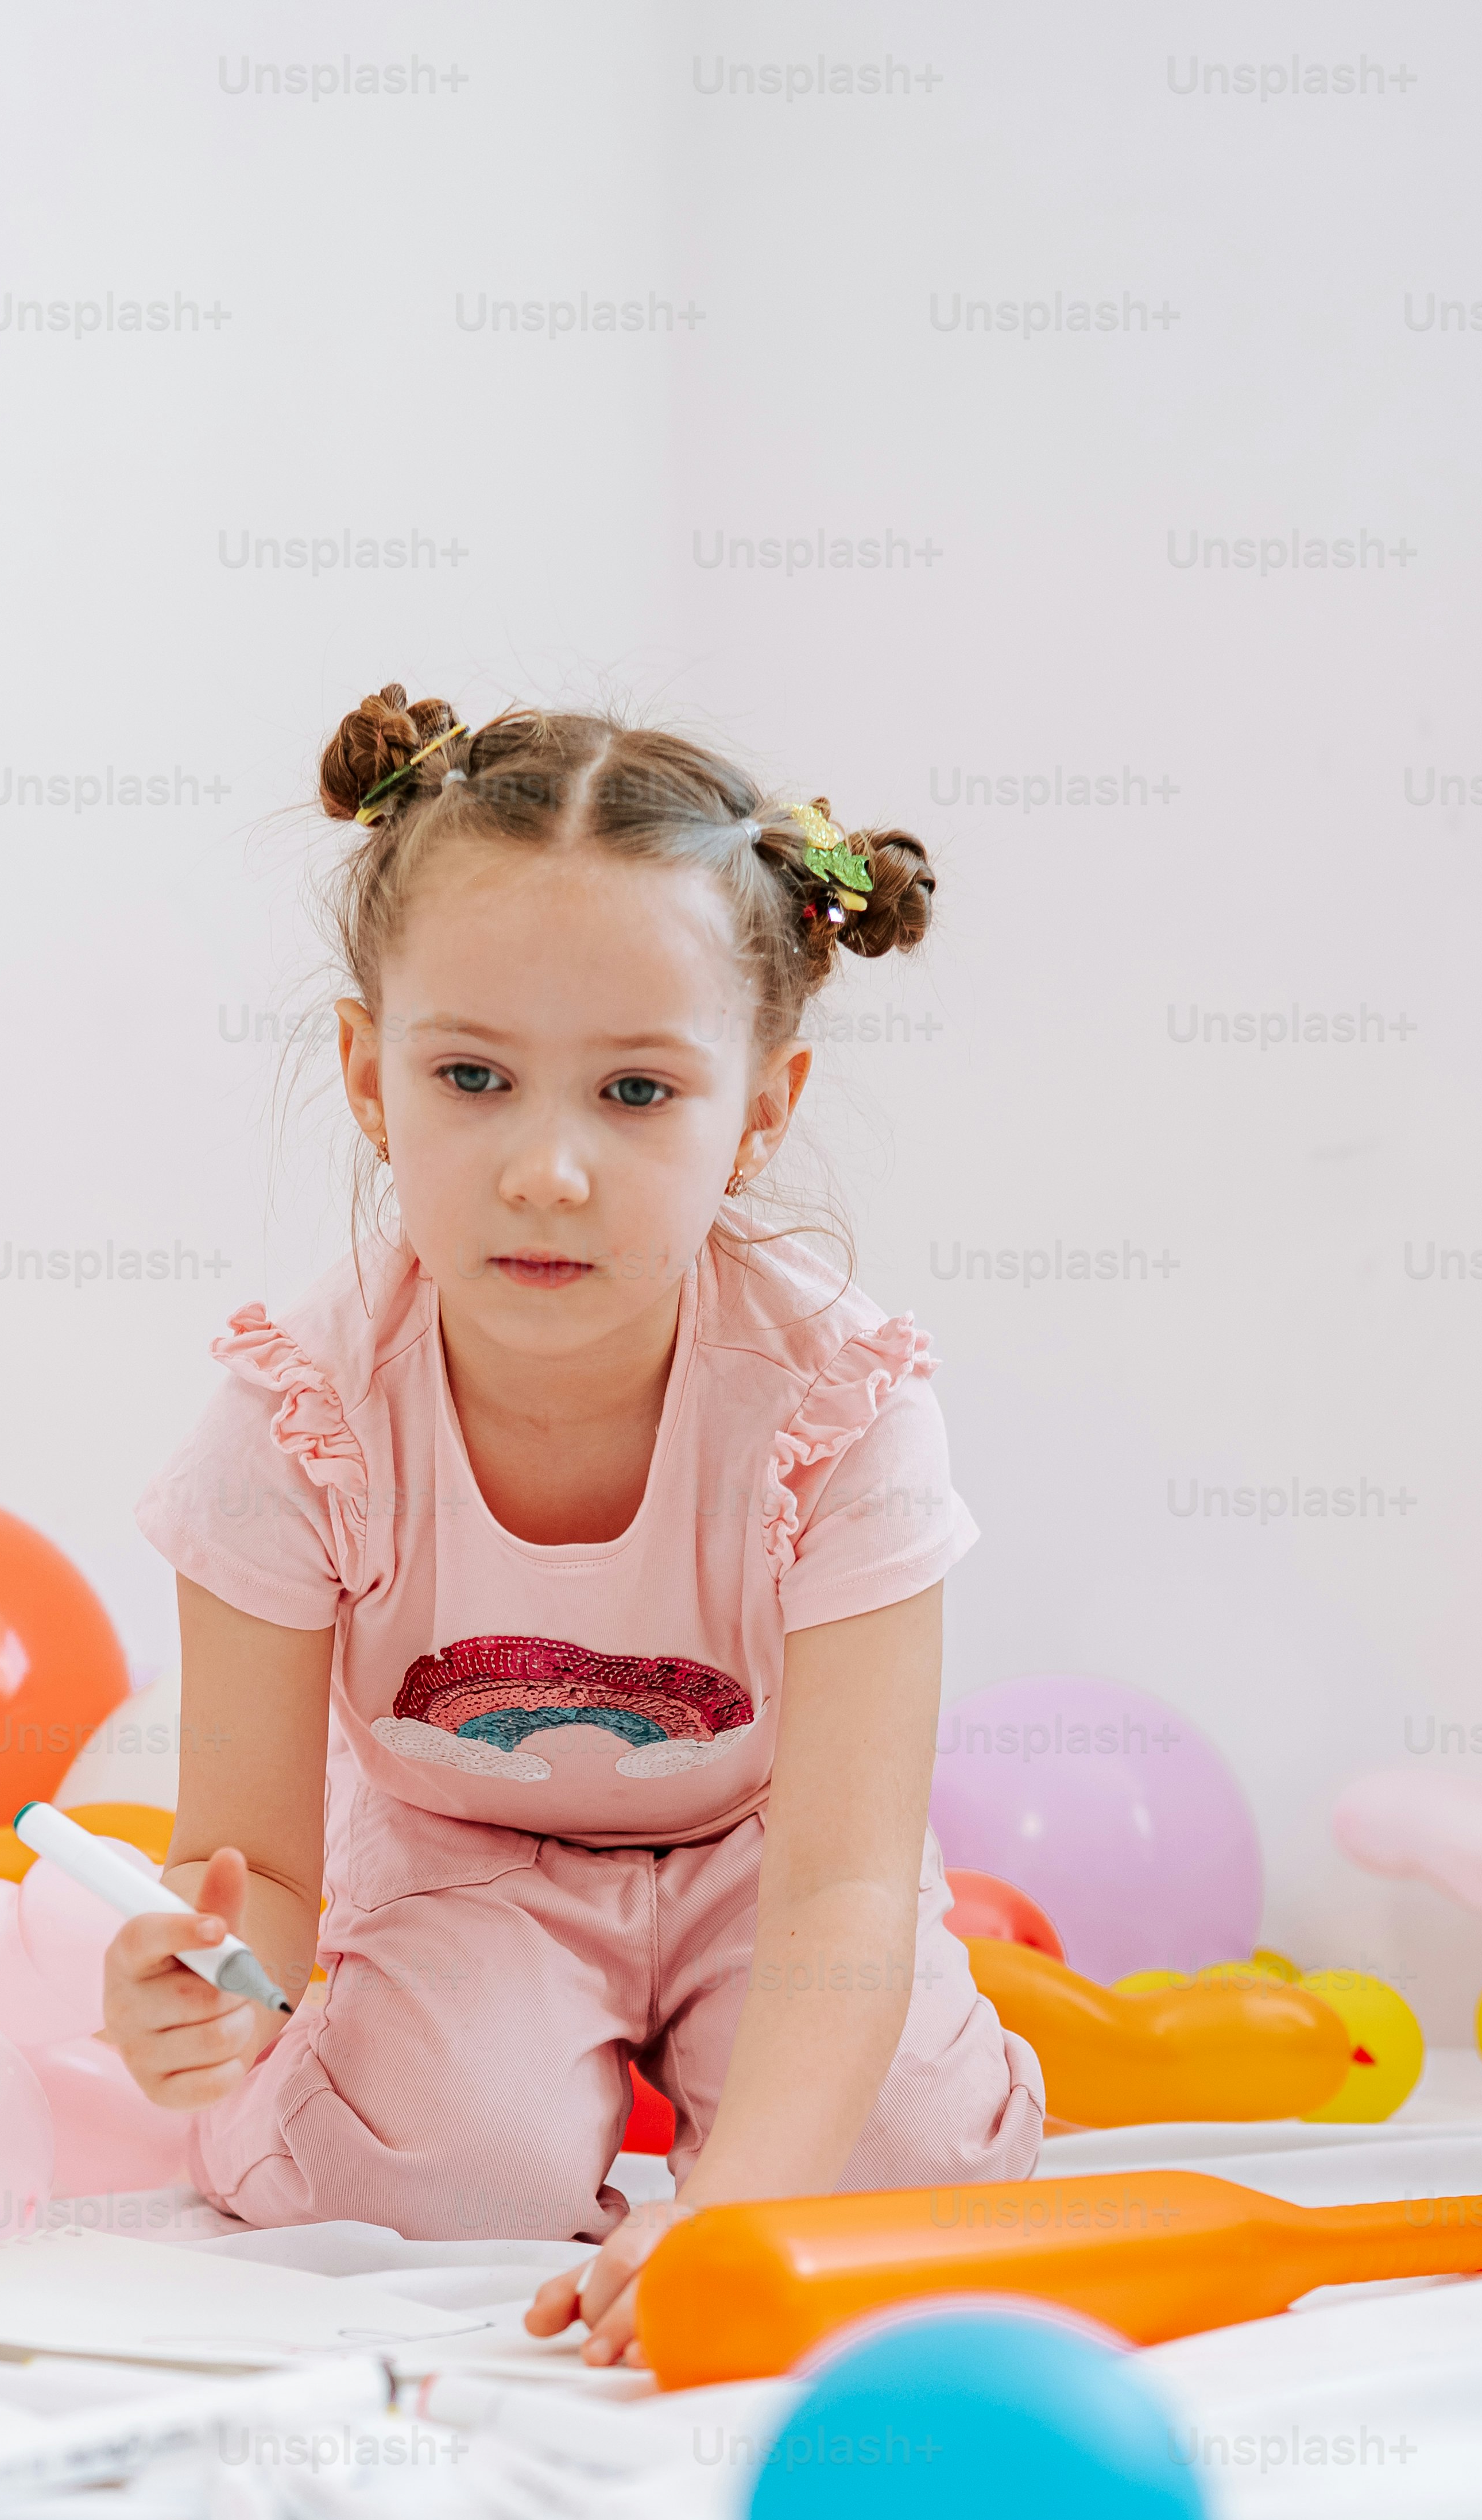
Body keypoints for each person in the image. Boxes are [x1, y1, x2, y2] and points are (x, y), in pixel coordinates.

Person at [109, 687, 1044, 2362]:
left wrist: (733, 2213)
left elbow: (841, 1891)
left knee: (900, 2180)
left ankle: (834, 2064)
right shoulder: (298, 1416)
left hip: (772, 1857)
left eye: (636, 1091)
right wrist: (206, 1992)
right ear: (369, 1077)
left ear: (762, 1107)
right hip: (459, 1853)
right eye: (473, 1076)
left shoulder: (841, 1409)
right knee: (422, 2181)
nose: (547, 1169)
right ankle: (528, 2078)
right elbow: (253, 1865)